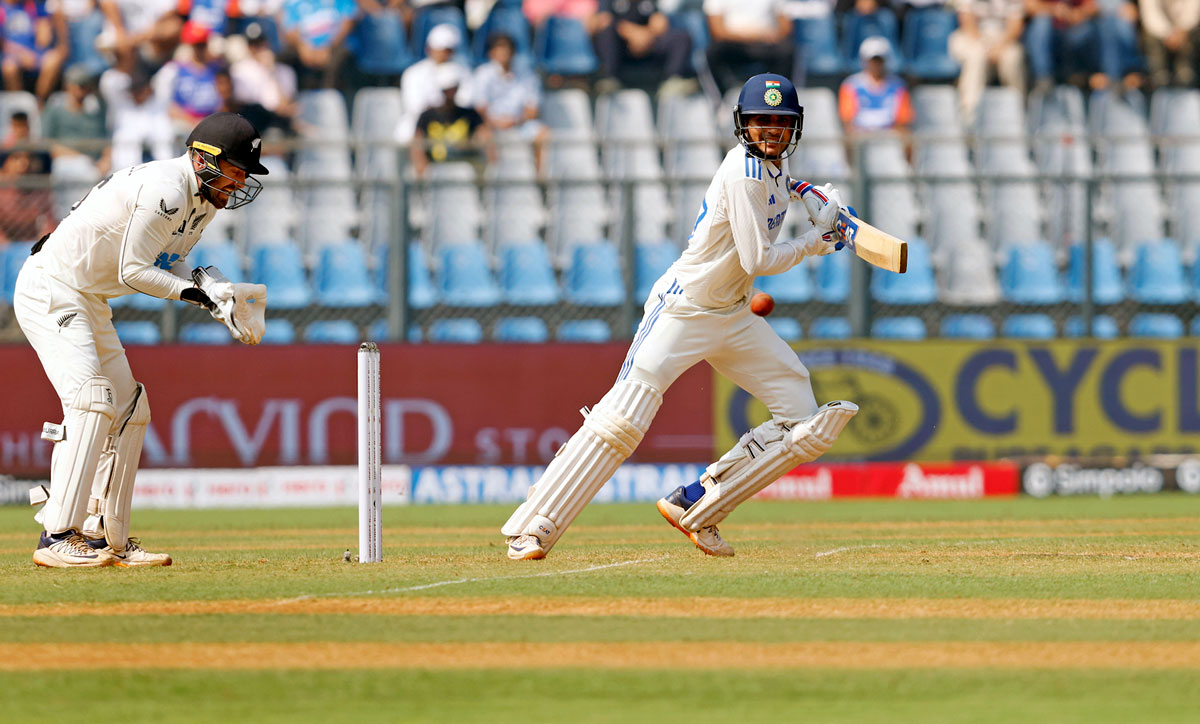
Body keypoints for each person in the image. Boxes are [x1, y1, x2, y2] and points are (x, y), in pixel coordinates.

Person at [502, 73, 858, 561]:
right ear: (743, 126)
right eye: (761, 123)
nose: (771, 132)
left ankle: (697, 503)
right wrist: (814, 244)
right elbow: (759, 261)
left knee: (803, 417)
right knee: (622, 420)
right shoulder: (743, 172)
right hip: (684, 308)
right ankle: (533, 526)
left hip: (732, 314)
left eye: (781, 123)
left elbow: (780, 184)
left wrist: (806, 192)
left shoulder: (775, 166)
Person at [14, 111, 271, 568]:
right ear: (201, 158)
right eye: (233, 171)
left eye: (242, 175)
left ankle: (103, 536)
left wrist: (212, 286)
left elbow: (159, 260)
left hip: (89, 296)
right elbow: (131, 271)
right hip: (52, 287)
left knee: (131, 406)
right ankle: (56, 535)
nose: (237, 183)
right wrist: (199, 298)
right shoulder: (166, 188)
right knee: (92, 400)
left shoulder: (205, 202)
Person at [472, 32, 549, 175]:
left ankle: (540, 179)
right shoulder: (482, 74)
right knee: (483, 134)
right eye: (499, 48)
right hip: (492, 126)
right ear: (491, 53)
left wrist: (515, 121)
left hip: (520, 125)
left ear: (513, 52)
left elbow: (532, 110)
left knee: (543, 133)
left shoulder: (527, 75)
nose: (503, 53)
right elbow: (480, 109)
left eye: (506, 48)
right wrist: (496, 123)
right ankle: (495, 177)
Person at [591, 0, 696, 96]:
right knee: (606, 34)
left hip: (648, 44)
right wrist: (632, 33)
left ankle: (673, 79)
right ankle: (610, 78)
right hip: (622, 47)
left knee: (681, 38)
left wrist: (646, 35)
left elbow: (660, 22)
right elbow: (602, 21)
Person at [410, 63, 493, 178]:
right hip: (435, 169)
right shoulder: (426, 116)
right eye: (446, 90)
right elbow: (417, 143)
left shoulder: (470, 114)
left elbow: (484, 135)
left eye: (452, 89)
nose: (450, 94)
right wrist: (422, 171)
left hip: (465, 167)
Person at [395, 23, 472, 144]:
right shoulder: (413, 73)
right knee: (411, 131)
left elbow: (466, 101)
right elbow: (415, 106)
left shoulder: (463, 71)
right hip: (423, 124)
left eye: (447, 50)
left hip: (454, 123)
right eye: (439, 49)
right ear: (428, 48)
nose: (443, 54)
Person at [948, 0, 1025, 121]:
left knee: (1013, 57)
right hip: (970, 37)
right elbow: (966, 21)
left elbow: (1015, 25)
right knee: (976, 56)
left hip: (1002, 39)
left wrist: (999, 47)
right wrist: (985, 46)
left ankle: (1019, 111)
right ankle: (969, 116)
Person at [703, 0, 793, 94]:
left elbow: (785, 27)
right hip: (732, 44)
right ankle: (721, 102)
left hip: (766, 45)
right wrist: (755, 35)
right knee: (713, 52)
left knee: (786, 50)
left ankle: (780, 98)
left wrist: (770, 36)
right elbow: (718, 31)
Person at [838, 36, 913, 133]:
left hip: (890, 136)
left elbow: (903, 120)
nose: (876, 65)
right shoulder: (851, 85)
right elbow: (847, 120)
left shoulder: (898, 85)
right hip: (860, 136)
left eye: (879, 61)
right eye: (872, 61)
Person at [1, 0, 68, 104]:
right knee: (9, 67)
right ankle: (18, 108)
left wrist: (47, 27)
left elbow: (43, 40)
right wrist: (21, 54)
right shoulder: (2, 8)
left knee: (53, 60)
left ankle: (39, 104)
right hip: (11, 55)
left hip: (34, 54)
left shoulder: (32, 5)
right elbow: (3, 43)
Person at [1139, 0, 1199, 87]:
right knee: (1150, 37)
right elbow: (1151, 13)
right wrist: (1167, 32)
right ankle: (1159, 75)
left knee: (1192, 37)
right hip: (1160, 31)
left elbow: (1193, 10)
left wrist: (1182, 30)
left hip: (1184, 30)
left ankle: (1186, 73)